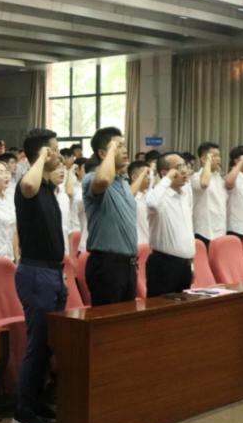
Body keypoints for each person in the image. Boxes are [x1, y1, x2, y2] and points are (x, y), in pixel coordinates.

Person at [12, 128, 66, 423]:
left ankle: (37, 399)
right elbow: (29, 183)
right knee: (37, 342)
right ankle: (23, 410)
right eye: (53, 149)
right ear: (41, 153)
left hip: (53, 272)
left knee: (49, 341)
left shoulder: (48, 188)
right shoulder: (28, 184)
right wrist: (43, 156)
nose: (58, 154)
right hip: (35, 273)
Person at [82, 127, 137, 306]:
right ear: (102, 153)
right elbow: (103, 180)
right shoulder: (91, 178)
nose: (125, 150)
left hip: (128, 264)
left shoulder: (123, 182)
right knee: (108, 320)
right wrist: (112, 151)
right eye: (118, 146)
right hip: (106, 265)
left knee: (127, 320)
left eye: (124, 145)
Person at [145, 153, 195, 297]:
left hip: (185, 265)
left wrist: (191, 265)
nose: (184, 170)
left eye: (184, 165)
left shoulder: (185, 194)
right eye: (178, 167)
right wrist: (166, 179)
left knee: (183, 309)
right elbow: (152, 203)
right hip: (164, 264)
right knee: (161, 308)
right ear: (164, 173)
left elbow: (187, 231)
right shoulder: (159, 196)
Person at [191, 142, 227, 245]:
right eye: (214, 156)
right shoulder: (196, 177)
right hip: (204, 231)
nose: (218, 159)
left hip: (220, 230)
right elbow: (204, 183)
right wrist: (208, 162)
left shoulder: (219, 178)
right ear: (203, 159)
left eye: (219, 156)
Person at [128, 160, 151, 245]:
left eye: (150, 175)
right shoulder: (129, 197)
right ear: (134, 177)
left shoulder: (150, 196)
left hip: (152, 244)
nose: (149, 178)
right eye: (145, 174)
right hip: (137, 244)